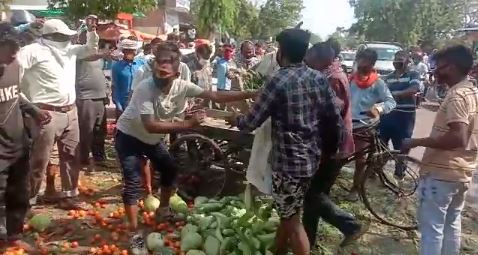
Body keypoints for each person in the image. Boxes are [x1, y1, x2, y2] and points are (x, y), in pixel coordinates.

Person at [114, 41, 257, 254]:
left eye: (167, 67)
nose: (161, 71)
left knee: (170, 169)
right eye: (158, 65)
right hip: (129, 137)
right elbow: (150, 125)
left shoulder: (183, 86)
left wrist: (250, 93)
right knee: (133, 183)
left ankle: (163, 210)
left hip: (152, 140)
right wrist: (189, 124)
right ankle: (134, 235)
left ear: (177, 70)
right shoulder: (145, 88)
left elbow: (215, 96)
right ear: (153, 66)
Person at [227, 28, 343, 255]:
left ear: (281, 52)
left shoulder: (277, 80)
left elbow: (251, 121)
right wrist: (328, 152)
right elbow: (334, 120)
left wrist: (235, 119)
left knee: (291, 220)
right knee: (289, 211)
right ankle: (278, 250)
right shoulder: (318, 78)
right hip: (311, 161)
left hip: (288, 165)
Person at [402, 45, 478, 255]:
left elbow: (458, 137)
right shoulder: (472, 91)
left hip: (442, 174)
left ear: (451, 67)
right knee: (451, 224)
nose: (434, 71)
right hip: (461, 172)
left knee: (432, 229)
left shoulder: (457, 96)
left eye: (439, 67)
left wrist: (417, 142)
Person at [17, 18, 99, 210]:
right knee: (40, 159)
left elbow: (90, 49)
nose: (67, 39)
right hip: (45, 113)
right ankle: (29, 200)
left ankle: (69, 196)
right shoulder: (31, 52)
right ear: (52, 36)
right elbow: (12, 81)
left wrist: (92, 31)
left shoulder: (69, 50)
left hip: (71, 111)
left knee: (71, 155)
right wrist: (32, 109)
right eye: (63, 36)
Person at [303, 42, 364, 248]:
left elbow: (331, 118)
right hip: (329, 146)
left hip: (331, 148)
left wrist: (322, 151)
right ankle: (307, 243)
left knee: (312, 194)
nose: (306, 61)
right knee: (313, 196)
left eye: (309, 57)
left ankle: (350, 225)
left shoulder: (331, 80)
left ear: (320, 59)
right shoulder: (331, 74)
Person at [0, 22, 51, 251]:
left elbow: (15, 95)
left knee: (18, 193)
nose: (14, 53)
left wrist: (34, 111)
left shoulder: (13, 66)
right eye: (10, 47)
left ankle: (14, 235)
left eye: (17, 47)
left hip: (18, 144)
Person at [346, 48, 396, 201]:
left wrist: (378, 108)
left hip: (363, 125)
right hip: (346, 125)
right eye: (360, 61)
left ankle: (356, 188)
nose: (361, 66)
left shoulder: (378, 83)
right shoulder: (350, 79)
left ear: (372, 64)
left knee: (360, 160)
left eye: (366, 63)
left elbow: (391, 102)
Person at [380, 51, 420, 179]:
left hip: (405, 117)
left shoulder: (413, 74)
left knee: (402, 146)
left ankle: (399, 173)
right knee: (381, 144)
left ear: (407, 61)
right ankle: (376, 171)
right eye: (396, 59)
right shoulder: (389, 77)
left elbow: (414, 89)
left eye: (400, 59)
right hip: (388, 115)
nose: (397, 61)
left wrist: (394, 95)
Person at [76, 34, 112, 171]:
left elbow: (102, 75)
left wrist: (106, 93)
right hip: (86, 97)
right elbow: (90, 56)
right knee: (86, 130)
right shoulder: (80, 54)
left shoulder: (101, 60)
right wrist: (102, 54)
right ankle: (84, 158)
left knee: (100, 130)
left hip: (100, 97)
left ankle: (99, 156)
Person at [112, 39, 142, 119]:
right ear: (124, 51)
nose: (131, 52)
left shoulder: (141, 64)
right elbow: (115, 86)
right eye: (128, 50)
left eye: (132, 50)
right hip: (123, 102)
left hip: (138, 101)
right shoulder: (117, 67)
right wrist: (118, 104)